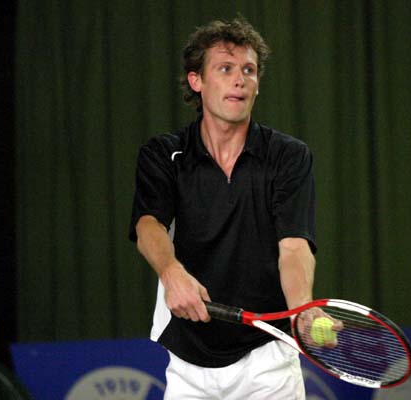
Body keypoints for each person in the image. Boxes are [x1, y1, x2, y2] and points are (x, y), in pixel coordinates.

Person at [128, 17, 326, 399]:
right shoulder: (164, 154)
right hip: (188, 360)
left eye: (249, 70)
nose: (240, 80)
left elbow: (293, 245)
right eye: (225, 69)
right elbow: (148, 224)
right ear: (196, 81)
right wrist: (171, 273)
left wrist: (301, 308)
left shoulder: (288, 156)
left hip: (268, 359)